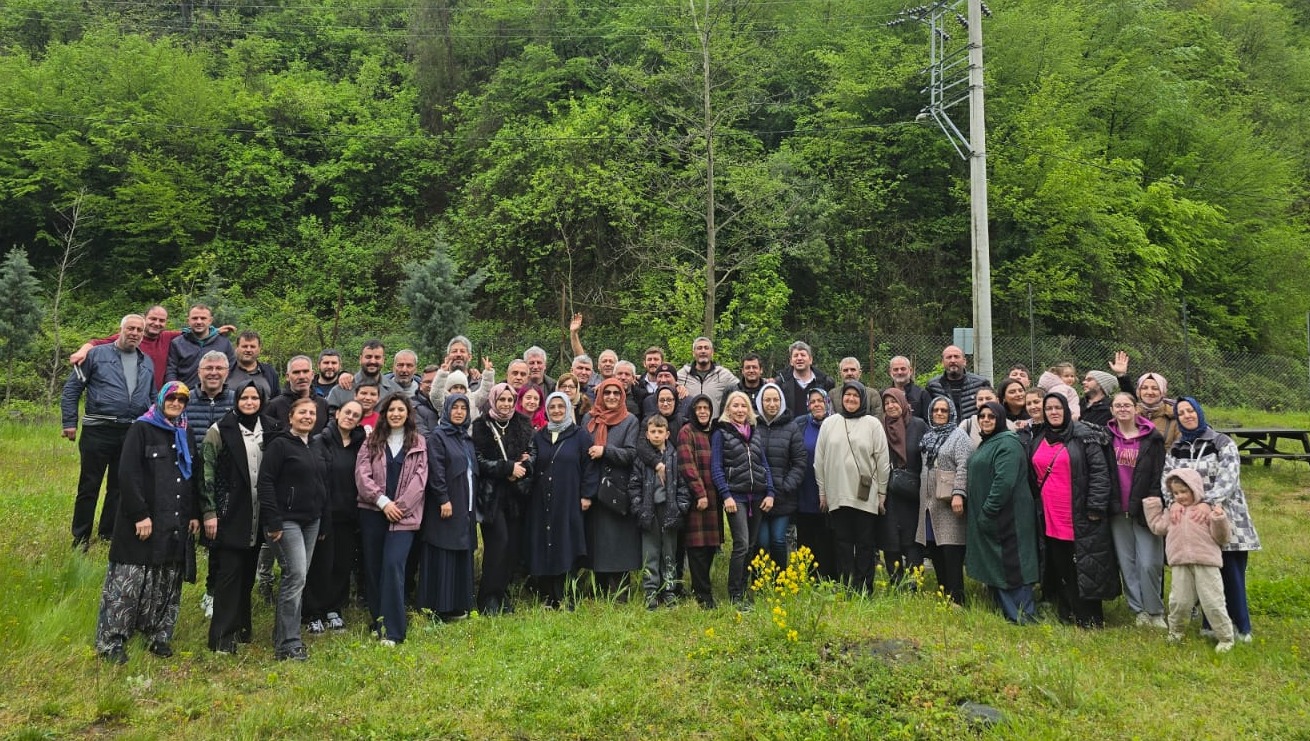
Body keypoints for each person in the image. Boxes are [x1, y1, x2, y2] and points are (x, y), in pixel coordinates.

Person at [94, 381, 199, 664]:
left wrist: (193, 515)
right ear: (162, 398)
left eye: (182, 400)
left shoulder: (185, 433)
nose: (176, 403)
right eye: (172, 397)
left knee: (166, 582)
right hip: (141, 521)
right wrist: (140, 514)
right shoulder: (141, 428)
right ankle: (112, 642)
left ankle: (158, 636)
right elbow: (126, 475)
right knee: (128, 583)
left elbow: (191, 477)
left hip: (174, 520)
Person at [1162, 397, 1259, 642]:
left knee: (1230, 572)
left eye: (1190, 411)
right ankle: (1210, 625)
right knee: (1205, 575)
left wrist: (1209, 501)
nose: (1186, 415)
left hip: (1223, 515)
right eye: (1181, 413)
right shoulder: (1176, 448)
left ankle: (1240, 626)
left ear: (1199, 412)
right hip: (1193, 522)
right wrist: (1172, 502)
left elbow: (1229, 478)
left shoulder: (1222, 442)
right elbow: (1167, 479)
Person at [61, 314, 154, 550]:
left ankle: (107, 533)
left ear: (143, 334)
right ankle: (80, 537)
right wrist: (69, 422)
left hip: (131, 431)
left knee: (119, 485)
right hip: (98, 431)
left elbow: (152, 397)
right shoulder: (96, 355)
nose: (134, 333)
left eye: (139, 330)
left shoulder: (147, 361)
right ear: (121, 329)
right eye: (130, 328)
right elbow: (72, 389)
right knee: (89, 485)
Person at [1026, 392, 1118, 628]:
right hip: (1050, 514)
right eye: (1049, 409)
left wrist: (1096, 506)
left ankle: (1089, 616)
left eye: (1057, 408)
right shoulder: (1039, 438)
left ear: (1066, 409)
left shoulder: (1084, 436)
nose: (1053, 412)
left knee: (1083, 565)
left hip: (1080, 513)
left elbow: (1100, 472)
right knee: (1060, 563)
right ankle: (1066, 611)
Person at [201, 382, 270, 653]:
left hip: (257, 514)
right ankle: (221, 637)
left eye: (255, 397)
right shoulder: (219, 430)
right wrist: (209, 512)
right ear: (236, 399)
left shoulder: (271, 428)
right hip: (228, 512)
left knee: (247, 575)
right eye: (245, 397)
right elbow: (206, 472)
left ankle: (242, 629)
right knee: (228, 575)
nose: (250, 401)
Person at [258, 397, 328, 660]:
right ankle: (288, 644)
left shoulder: (316, 446)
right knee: (295, 575)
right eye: (302, 412)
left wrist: (323, 518)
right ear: (291, 417)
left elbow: (322, 485)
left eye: (312, 413)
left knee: (298, 578)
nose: (308, 416)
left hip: (312, 520)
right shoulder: (280, 445)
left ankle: (285, 634)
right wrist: (273, 521)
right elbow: (265, 483)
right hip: (285, 521)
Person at [355, 393, 428, 646]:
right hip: (374, 512)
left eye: (401, 409)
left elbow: (420, 479)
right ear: (384, 414)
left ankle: (394, 631)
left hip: (404, 517)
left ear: (408, 414)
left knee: (393, 566)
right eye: (391, 410)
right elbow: (362, 475)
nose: (396, 414)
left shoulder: (418, 442)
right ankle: (378, 621)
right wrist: (382, 502)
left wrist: (400, 506)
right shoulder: (371, 441)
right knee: (374, 568)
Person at [964, 401, 1040, 623]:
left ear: (1000, 419)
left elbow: (1004, 482)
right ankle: (1007, 611)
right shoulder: (989, 442)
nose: (985, 420)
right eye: (982, 416)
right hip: (992, 516)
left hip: (1007, 516)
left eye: (991, 416)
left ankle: (1022, 615)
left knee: (1012, 563)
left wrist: (988, 511)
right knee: (997, 563)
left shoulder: (1007, 443)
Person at [1144, 468, 1236, 652]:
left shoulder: (1206, 511)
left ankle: (1226, 638)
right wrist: (1153, 505)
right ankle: (1176, 632)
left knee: (1213, 602)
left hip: (1206, 563)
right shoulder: (1173, 512)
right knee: (1179, 601)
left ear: (1195, 489)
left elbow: (1223, 538)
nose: (1179, 496)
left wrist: (1219, 519)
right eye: (1175, 493)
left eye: (1184, 492)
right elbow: (1157, 527)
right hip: (1179, 563)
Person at [813, 381, 889, 594]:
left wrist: (882, 493)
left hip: (866, 494)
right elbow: (819, 460)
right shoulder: (830, 423)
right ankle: (846, 584)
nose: (851, 399)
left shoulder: (873, 424)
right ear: (841, 398)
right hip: (837, 493)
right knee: (843, 542)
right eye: (848, 395)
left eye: (856, 396)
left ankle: (865, 587)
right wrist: (822, 491)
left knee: (865, 543)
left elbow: (882, 461)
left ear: (862, 398)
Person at [527, 392, 596, 607]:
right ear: (547, 410)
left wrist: (587, 494)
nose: (556, 410)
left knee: (566, 543)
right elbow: (533, 463)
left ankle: (568, 594)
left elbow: (590, 467)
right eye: (552, 407)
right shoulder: (539, 436)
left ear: (567, 408)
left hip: (569, 499)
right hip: (542, 500)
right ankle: (550, 595)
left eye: (560, 406)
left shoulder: (580, 435)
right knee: (546, 543)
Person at [472, 383, 536, 615]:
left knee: (511, 547)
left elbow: (532, 453)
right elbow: (478, 460)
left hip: (517, 496)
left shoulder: (523, 424)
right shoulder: (481, 426)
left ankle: (502, 594)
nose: (506, 404)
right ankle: (488, 598)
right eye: (502, 400)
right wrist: (507, 467)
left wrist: (524, 467)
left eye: (510, 400)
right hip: (492, 496)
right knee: (497, 545)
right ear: (493, 400)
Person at [304, 401, 365, 636]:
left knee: (342, 564)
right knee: (320, 565)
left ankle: (334, 609)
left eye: (355, 415)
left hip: (349, 515)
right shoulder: (319, 441)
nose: (350, 417)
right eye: (347, 412)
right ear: (337, 413)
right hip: (323, 514)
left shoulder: (360, 445)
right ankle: (313, 612)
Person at [710, 390, 777, 607]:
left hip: (757, 495)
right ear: (728, 410)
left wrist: (770, 492)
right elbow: (716, 467)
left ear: (749, 409)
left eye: (743, 406)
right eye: (735, 406)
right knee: (741, 543)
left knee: (752, 545)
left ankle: (745, 585)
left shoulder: (754, 431)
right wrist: (726, 495)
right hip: (735, 496)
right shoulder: (721, 433)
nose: (740, 410)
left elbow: (763, 464)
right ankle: (734, 593)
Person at [419, 394, 479, 621]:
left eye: (464, 408)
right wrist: (443, 498)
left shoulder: (466, 438)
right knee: (444, 551)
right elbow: (436, 469)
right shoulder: (438, 436)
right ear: (447, 410)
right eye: (455, 407)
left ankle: (458, 605)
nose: (460, 412)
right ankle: (439, 607)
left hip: (466, 504)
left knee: (461, 550)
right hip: (446, 504)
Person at [583, 378, 641, 597]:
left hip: (617, 489)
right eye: (607, 393)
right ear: (600, 395)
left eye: (616, 393)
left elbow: (631, 453)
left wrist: (605, 451)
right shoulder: (589, 419)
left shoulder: (630, 420)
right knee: (597, 541)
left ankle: (621, 590)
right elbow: (583, 451)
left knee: (618, 542)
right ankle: (598, 588)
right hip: (594, 487)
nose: (612, 397)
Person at [629, 414, 691, 609]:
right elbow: (634, 485)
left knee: (669, 552)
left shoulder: (675, 457)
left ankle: (669, 590)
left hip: (670, 510)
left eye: (660, 432)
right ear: (647, 435)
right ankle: (650, 591)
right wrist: (638, 507)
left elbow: (684, 486)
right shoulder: (642, 459)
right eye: (653, 432)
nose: (656, 435)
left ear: (667, 434)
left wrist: (681, 507)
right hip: (649, 511)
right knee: (651, 552)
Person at [916, 397, 972, 605]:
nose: (939, 414)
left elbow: (964, 466)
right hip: (930, 505)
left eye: (944, 410)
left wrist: (959, 493)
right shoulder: (929, 436)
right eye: (936, 410)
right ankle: (944, 594)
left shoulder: (959, 437)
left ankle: (957, 598)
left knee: (951, 550)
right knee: (936, 549)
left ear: (951, 414)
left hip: (950, 504)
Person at [677, 394, 724, 608]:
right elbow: (687, 465)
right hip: (699, 499)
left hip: (715, 498)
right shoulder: (687, 431)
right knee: (697, 548)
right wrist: (700, 493)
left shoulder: (713, 433)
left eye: (707, 408)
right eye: (699, 408)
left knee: (711, 546)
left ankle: (703, 588)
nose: (703, 412)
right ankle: (703, 596)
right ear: (693, 411)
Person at [753, 383, 806, 570]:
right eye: (767, 400)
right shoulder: (752, 426)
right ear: (760, 402)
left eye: (776, 399)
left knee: (777, 540)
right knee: (762, 542)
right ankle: (758, 580)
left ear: (781, 402)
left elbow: (800, 462)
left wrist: (785, 486)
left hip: (783, 496)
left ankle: (781, 582)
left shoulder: (791, 427)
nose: (772, 404)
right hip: (758, 495)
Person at [878, 387, 927, 586]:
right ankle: (895, 581)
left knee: (912, 536)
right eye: (887, 403)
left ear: (903, 403)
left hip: (912, 491)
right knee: (890, 536)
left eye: (894, 402)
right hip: (888, 490)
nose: (891, 406)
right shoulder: (879, 426)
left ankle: (914, 581)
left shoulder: (918, 425)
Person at [794, 388, 835, 579]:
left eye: (820, 400)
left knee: (828, 534)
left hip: (832, 487)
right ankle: (809, 576)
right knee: (806, 534)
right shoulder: (800, 424)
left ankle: (830, 576)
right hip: (806, 487)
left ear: (827, 403)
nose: (816, 404)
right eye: (813, 401)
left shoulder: (836, 423)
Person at [166, 305, 236, 389]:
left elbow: (232, 369)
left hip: (216, 395)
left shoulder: (224, 343)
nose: (199, 322)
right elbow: (171, 371)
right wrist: (174, 390)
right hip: (186, 396)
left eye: (203, 318)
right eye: (195, 318)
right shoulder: (177, 343)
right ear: (188, 321)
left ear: (210, 321)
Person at [326, 340, 401, 412]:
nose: (372, 361)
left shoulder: (395, 391)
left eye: (377, 357)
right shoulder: (340, 390)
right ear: (360, 359)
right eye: (368, 357)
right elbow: (330, 419)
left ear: (383, 360)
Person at [266, 355, 329, 436]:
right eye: (296, 372)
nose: (301, 376)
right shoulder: (274, 406)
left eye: (305, 371)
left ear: (312, 375)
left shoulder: (323, 404)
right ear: (288, 377)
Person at [925, 345, 991, 420]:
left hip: (973, 430)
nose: (953, 360)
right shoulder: (933, 386)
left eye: (956, 357)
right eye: (949, 357)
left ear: (964, 361)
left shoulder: (980, 383)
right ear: (942, 362)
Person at [774, 341, 836, 419]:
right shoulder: (781, 382)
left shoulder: (825, 382)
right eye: (796, 355)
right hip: (790, 429)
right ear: (791, 361)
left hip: (818, 428)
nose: (799, 358)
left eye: (803, 355)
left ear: (810, 360)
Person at [678, 336, 739, 415]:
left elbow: (742, 389)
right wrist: (677, 386)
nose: (703, 351)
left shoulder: (723, 374)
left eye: (706, 348)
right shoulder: (682, 375)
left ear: (712, 352)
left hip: (715, 426)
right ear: (693, 353)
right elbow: (666, 386)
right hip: (689, 426)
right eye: (699, 348)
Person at [227, 331, 279, 399]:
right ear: (236, 348)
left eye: (252, 346)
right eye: (244, 346)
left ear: (259, 349)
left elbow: (276, 400)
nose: (248, 350)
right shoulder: (226, 371)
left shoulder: (270, 372)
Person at [1135, 372, 1179, 447]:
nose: (1149, 392)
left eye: (1155, 388)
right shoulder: (1130, 415)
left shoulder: (1174, 416)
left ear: (1162, 392)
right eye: (1144, 388)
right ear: (1139, 392)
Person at [889, 355, 929, 423]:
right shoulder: (884, 394)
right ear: (890, 372)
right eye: (896, 369)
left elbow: (928, 421)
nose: (899, 372)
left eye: (903, 369)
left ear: (910, 370)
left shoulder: (922, 394)